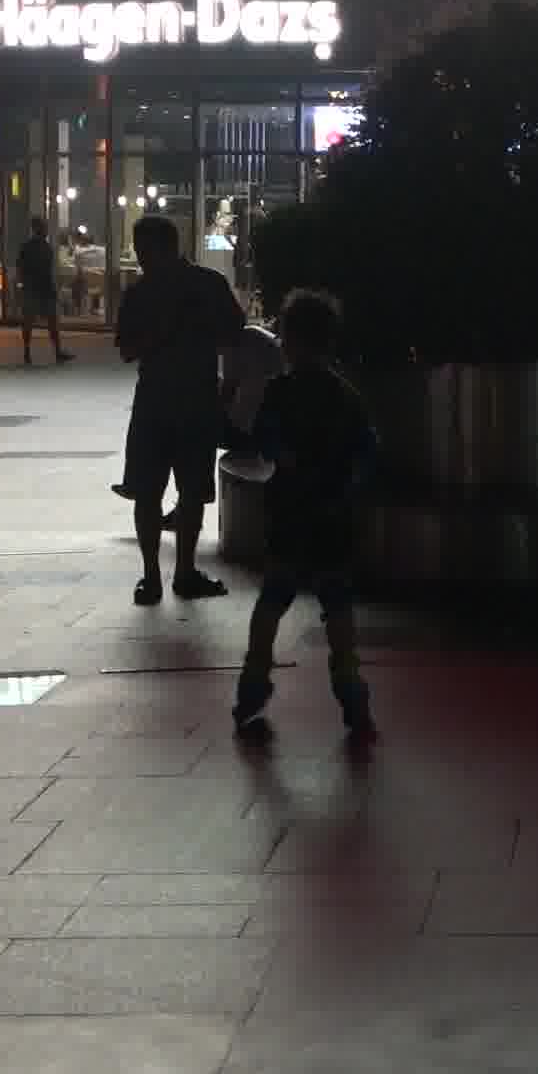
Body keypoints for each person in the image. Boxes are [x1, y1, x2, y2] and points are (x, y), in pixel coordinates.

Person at [235, 288, 380, 742]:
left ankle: (254, 684)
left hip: (290, 513)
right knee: (336, 605)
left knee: (273, 599)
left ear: (291, 341)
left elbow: (263, 441)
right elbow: (367, 450)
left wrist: (287, 458)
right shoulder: (345, 395)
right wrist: (350, 487)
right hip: (332, 513)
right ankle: (350, 690)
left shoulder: (280, 392)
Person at [115, 211, 245, 604]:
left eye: (144, 250)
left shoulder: (142, 293)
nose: (140, 258)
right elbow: (234, 335)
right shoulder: (208, 284)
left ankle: (154, 576)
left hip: (157, 401)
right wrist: (228, 387)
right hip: (193, 399)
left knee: (149, 491)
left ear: (163, 248)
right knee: (187, 492)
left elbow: (127, 349)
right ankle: (181, 573)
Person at [13, 214, 76, 366]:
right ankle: (57, 352)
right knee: (52, 322)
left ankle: (27, 352)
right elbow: (46, 271)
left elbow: (20, 267)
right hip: (43, 289)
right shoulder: (46, 248)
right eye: (44, 227)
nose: (46, 230)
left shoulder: (27, 247)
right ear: (39, 229)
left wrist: (22, 284)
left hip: (31, 288)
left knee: (28, 322)